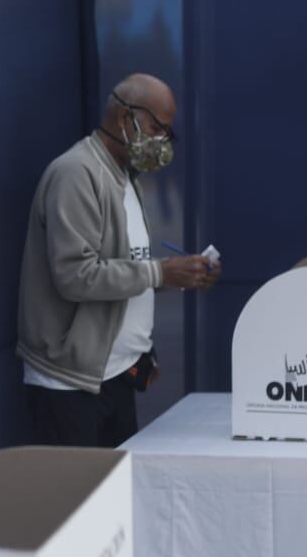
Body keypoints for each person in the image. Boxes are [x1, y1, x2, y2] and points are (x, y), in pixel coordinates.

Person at [16, 73, 220, 448]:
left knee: (111, 498)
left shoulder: (126, 177)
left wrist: (178, 279)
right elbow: (75, 276)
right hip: (70, 385)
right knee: (77, 502)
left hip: (115, 375)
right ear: (127, 118)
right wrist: (160, 272)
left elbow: (126, 268)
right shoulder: (76, 174)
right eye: (158, 128)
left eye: (168, 133)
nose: (163, 142)